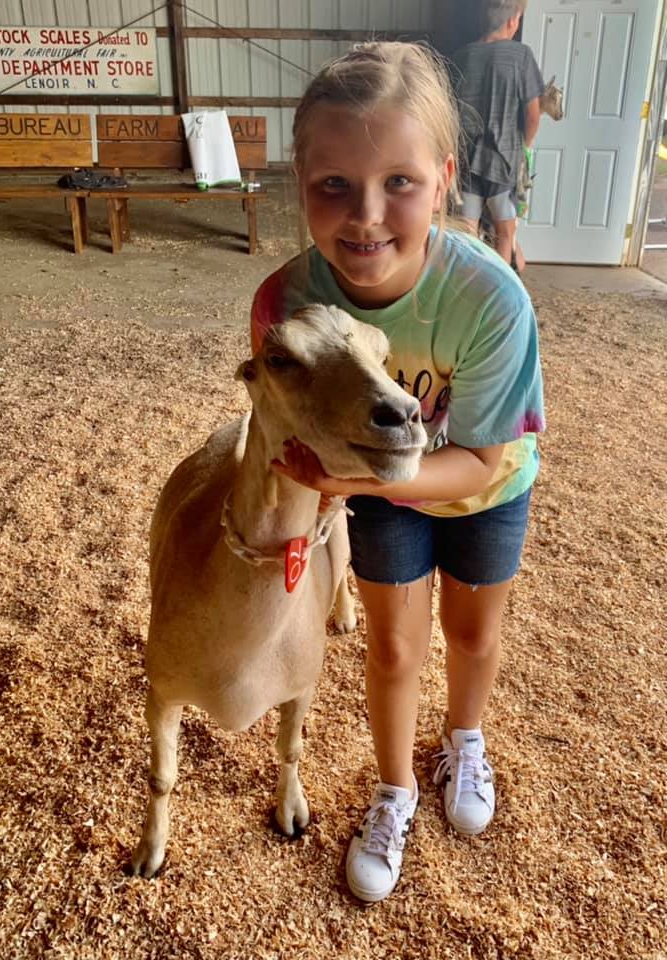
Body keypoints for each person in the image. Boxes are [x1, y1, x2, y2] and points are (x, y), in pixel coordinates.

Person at [250, 41, 545, 904]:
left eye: (399, 184)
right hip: (375, 486)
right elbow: (284, 428)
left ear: (445, 178)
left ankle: (465, 738)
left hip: (483, 485)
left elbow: (480, 458)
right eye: (332, 184)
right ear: (300, 181)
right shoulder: (286, 305)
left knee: (474, 634)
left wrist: (351, 481)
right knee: (391, 647)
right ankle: (394, 790)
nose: (365, 216)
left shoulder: (491, 300)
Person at [449, 0, 543, 269]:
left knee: (466, 233)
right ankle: (498, 293)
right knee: (505, 233)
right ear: (513, 21)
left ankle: (467, 289)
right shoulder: (521, 56)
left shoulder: (461, 57)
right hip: (504, 161)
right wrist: (524, 147)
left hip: (467, 158)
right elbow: (533, 114)